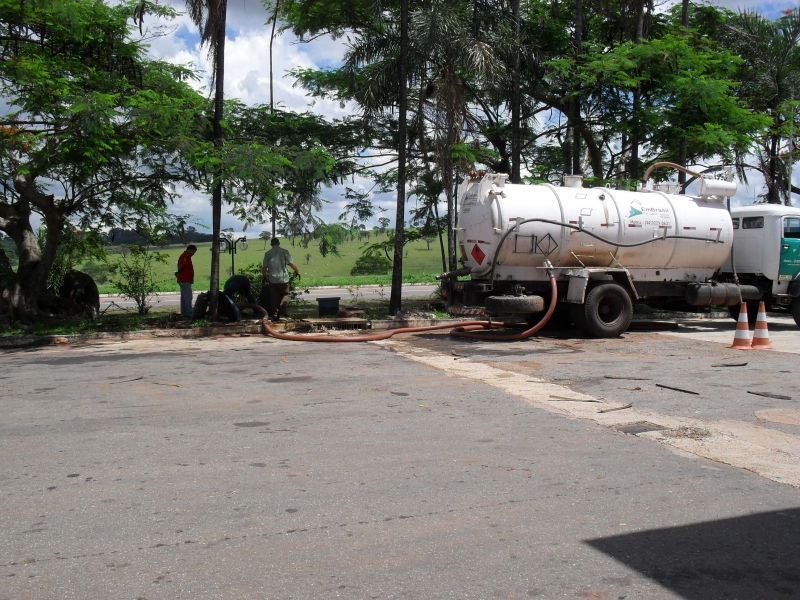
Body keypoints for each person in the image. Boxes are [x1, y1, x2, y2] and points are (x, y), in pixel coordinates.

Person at [262, 238, 300, 320]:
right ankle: (283, 307)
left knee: (274, 298)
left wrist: (264, 276)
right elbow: (291, 264)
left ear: (271, 244)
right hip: (283, 279)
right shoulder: (284, 251)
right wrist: (297, 271)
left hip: (272, 279)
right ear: (279, 243)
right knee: (287, 294)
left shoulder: (267, 253)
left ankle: (275, 315)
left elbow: (264, 267)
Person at [175, 244, 197, 319]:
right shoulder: (186, 256)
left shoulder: (186, 256)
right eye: (194, 251)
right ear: (190, 250)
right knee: (188, 297)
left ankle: (184, 313)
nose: (194, 253)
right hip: (185, 279)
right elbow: (181, 265)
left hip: (184, 279)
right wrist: (179, 273)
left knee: (184, 297)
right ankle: (189, 312)